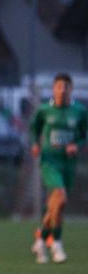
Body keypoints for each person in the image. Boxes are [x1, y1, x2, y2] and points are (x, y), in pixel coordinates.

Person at [29, 73, 87, 264]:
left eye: (66, 87)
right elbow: (34, 129)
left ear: (71, 89)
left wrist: (76, 145)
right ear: (53, 89)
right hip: (50, 161)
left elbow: (84, 135)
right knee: (60, 198)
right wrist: (35, 144)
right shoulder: (44, 110)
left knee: (56, 206)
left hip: (68, 163)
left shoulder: (79, 111)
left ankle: (40, 240)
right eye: (59, 87)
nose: (62, 90)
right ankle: (56, 244)